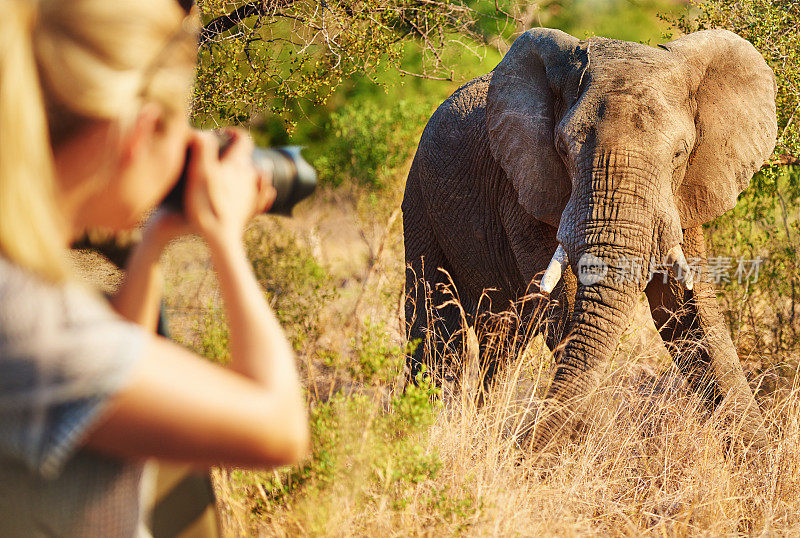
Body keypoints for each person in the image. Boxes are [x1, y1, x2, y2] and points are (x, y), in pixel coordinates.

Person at [0, 0, 310, 535]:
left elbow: (110, 364)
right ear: (138, 134)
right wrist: (224, 238)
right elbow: (279, 426)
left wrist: (151, 247)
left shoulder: (23, 295)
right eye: (180, 129)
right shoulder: (25, 317)